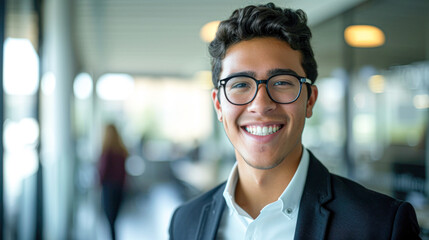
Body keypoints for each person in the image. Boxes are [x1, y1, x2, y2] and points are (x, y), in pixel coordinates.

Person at [169, 3, 421, 240]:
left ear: (309, 100)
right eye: (240, 85)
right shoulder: (185, 221)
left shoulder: (380, 225)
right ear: (218, 105)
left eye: (281, 82)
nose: (260, 104)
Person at [98, 123, 129, 240]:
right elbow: (124, 173)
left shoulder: (107, 152)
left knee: (110, 221)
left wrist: (98, 183)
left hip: (109, 189)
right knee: (115, 220)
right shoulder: (122, 151)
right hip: (120, 189)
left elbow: (103, 171)